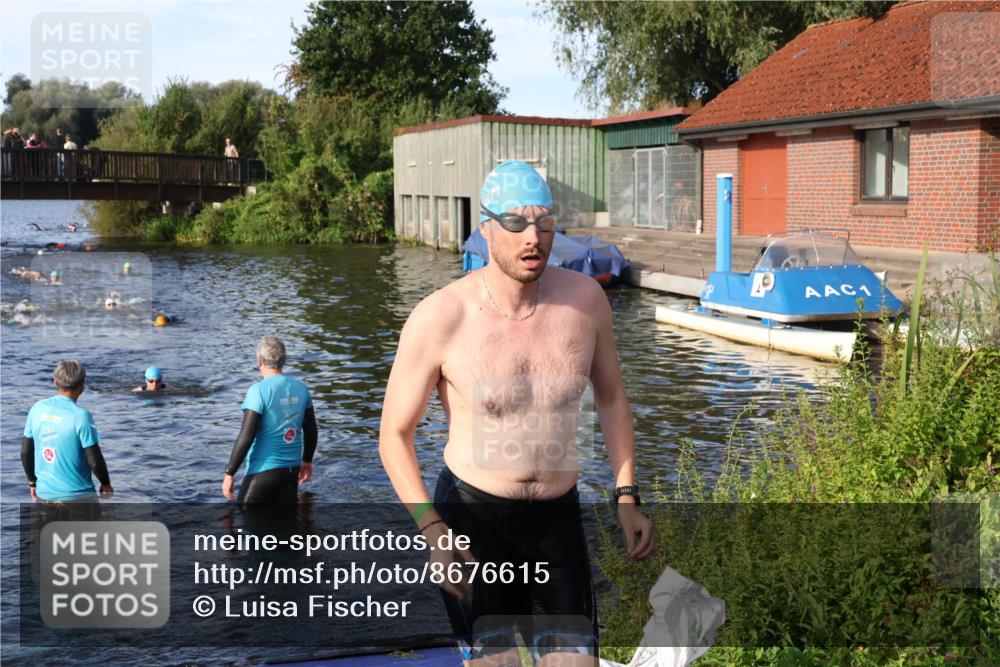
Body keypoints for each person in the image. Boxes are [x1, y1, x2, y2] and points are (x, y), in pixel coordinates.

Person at [379, 160, 654, 666]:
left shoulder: (586, 302)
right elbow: (394, 435)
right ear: (485, 229)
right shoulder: (442, 316)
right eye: (515, 224)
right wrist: (432, 528)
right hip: (472, 518)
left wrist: (626, 494)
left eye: (544, 222)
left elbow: (612, 399)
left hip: (557, 518)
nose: (533, 238)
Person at [221, 336, 318, 504]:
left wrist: (230, 473)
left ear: (259, 360)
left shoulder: (257, 391)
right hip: (291, 472)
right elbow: (311, 430)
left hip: (262, 472)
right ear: (284, 360)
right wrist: (307, 461)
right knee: (285, 525)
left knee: (244, 519)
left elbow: (246, 436)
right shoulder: (301, 389)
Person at [21, 360, 114, 504]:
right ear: (82, 385)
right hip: (79, 499)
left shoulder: (37, 409)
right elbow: (94, 460)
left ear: (55, 382)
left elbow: (25, 452)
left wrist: (32, 482)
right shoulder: (81, 416)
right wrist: (106, 484)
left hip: (44, 496)